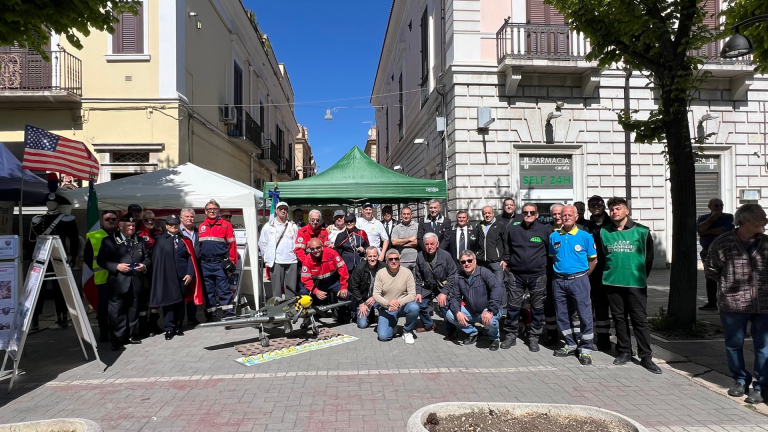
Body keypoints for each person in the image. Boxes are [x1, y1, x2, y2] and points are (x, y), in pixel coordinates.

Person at [705, 203, 768, 404]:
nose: (766, 221)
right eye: (762, 217)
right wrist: (729, 286)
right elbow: (712, 270)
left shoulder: (767, 243)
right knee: (734, 344)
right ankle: (740, 380)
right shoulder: (723, 243)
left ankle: (761, 387)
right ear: (747, 220)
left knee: (764, 347)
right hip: (733, 305)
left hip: (765, 305)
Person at [598, 197, 660, 373]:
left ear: (627, 211)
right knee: (619, 319)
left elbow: (649, 258)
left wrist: (640, 275)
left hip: (635, 283)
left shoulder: (642, 231)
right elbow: (602, 258)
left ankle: (646, 356)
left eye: (618, 208)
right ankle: (624, 350)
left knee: (639, 320)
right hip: (612, 282)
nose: (614, 212)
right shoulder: (604, 232)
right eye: (611, 209)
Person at [548, 205, 597, 366]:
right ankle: (570, 344)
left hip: (579, 280)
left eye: (570, 214)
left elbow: (593, 260)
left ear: (576, 217)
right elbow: (554, 258)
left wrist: (582, 276)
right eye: (564, 215)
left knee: (584, 314)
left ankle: (586, 349)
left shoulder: (586, 236)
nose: (566, 217)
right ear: (559, 217)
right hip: (559, 280)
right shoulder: (554, 236)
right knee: (561, 314)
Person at [502, 203, 552, 351]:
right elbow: (508, 248)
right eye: (525, 212)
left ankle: (534, 337)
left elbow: (551, 253)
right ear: (521, 214)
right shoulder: (513, 230)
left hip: (538, 275)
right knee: (513, 307)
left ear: (537, 214)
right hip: (516, 275)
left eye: (531, 212)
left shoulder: (545, 230)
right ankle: (511, 335)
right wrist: (506, 261)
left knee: (537, 308)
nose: (528, 215)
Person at [97, 215, 150, 351]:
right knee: (116, 312)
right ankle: (117, 338)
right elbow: (101, 260)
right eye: (128, 226)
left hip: (135, 281)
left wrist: (143, 266)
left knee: (134, 309)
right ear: (120, 226)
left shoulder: (139, 241)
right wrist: (117, 266)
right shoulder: (109, 241)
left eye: (133, 226)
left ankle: (131, 334)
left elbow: (147, 258)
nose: (131, 228)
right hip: (118, 282)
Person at [149, 216, 202, 340]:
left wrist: (190, 273)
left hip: (182, 277)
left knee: (180, 302)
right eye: (171, 225)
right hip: (167, 277)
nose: (173, 227)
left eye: (176, 225)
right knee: (169, 303)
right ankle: (169, 328)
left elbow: (191, 258)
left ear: (179, 225)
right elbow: (156, 260)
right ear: (166, 226)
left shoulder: (185, 240)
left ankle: (179, 326)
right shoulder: (160, 240)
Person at [446, 250, 504, 350]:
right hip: (471, 310)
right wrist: (458, 312)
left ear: (475, 261)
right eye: (463, 262)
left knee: (491, 321)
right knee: (450, 315)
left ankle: (494, 338)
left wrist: (490, 310)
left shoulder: (484, 272)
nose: (466, 264)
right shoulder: (458, 277)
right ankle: (473, 332)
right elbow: (455, 297)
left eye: (469, 261)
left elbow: (497, 289)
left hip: (488, 309)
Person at [198, 199, 237, 321]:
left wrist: (232, 263)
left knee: (224, 291)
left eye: (215, 209)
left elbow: (232, 245)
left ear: (218, 211)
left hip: (220, 264)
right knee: (208, 292)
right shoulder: (201, 226)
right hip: (205, 264)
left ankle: (228, 315)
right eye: (210, 209)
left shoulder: (226, 225)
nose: (212, 211)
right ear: (205, 211)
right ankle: (211, 315)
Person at [83, 210, 118, 342]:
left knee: (118, 307)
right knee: (103, 309)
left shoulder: (121, 234)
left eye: (113, 219)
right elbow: (87, 259)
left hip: (119, 279)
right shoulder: (94, 236)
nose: (110, 221)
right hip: (101, 279)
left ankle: (117, 331)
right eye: (107, 219)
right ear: (102, 221)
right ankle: (104, 333)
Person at [413, 232, 457, 337]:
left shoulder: (446, 256)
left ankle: (451, 330)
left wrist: (445, 292)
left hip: (443, 286)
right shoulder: (420, 256)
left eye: (432, 244)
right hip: (428, 287)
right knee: (418, 304)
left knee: (444, 305)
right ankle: (429, 324)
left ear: (437, 244)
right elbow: (418, 277)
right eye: (427, 244)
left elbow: (453, 275)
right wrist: (418, 292)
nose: (429, 247)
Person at [584, 195, 613, 351]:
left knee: (608, 306)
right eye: (592, 205)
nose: (596, 207)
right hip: (591, 272)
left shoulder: (612, 224)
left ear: (603, 206)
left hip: (611, 271)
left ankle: (605, 338)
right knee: (592, 305)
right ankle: (593, 337)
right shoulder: (587, 227)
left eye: (599, 204)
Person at [300, 238, 350, 325]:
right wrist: (316, 291)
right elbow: (306, 279)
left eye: (318, 247)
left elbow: (343, 269)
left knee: (346, 294)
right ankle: (307, 316)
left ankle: (341, 314)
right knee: (304, 292)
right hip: (318, 283)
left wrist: (344, 286)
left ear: (322, 247)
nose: (315, 250)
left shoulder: (332, 253)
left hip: (332, 281)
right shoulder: (307, 260)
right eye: (312, 249)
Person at [373, 249, 419, 343]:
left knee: (414, 307)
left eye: (396, 259)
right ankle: (392, 324)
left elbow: (412, 294)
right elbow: (375, 295)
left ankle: (407, 331)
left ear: (400, 259)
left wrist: (398, 303)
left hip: (402, 306)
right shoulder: (381, 273)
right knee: (383, 337)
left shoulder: (407, 272)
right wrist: (388, 303)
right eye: (391, 259)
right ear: (386, 260)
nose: (393, 261)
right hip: (387, 308)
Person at [698, 198, 735, 310]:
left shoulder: (728, 217)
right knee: (710, 276)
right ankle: (711, 302)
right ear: (710, 207)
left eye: (720, 205)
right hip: (708, 251)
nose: (719, 208)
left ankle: (728, 301)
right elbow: (700, 229)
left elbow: (724, 230)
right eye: (716, 206)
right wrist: (712, 218)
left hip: (725, 251)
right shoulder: (703, 218)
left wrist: (707, 231)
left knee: (727, 276)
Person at [258, 202, 300, 299]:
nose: (283, 211)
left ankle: (290, 311)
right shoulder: (268, 226)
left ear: (287, 211)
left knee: (291, 291)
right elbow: (262, 243)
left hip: (292, 261)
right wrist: (268, 256)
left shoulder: (293, 226)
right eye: (280, 209)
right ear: (276, 211)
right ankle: (277, 311)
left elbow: (297, 242)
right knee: (276, 292)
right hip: (276, 262)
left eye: (285, 209)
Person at [349, 246, 386, 329]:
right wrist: (361, 303)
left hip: (379, 298)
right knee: (362, 325)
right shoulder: (359, 268)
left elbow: (388, 285)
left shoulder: (384, 267)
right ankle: (366, 314)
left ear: (378, 256)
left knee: (386, 316)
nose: (372, 259)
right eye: (370, 256)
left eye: (374, 256)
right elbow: (353, 287)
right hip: (364, 299)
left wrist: (375, 297)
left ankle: (380, 315)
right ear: (366, 257)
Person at [476, 206, 509, 286]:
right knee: (483, 285)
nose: (487, 215)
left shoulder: (500, 225)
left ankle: (501, 299)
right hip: (482, 262)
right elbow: (476, 242)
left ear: (493, 214)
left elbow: (506, 242)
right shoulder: (479, 226)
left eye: (489, 213)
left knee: (499, 285)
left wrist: (506, 259)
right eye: (485, 213)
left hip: (496, 262)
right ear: (482, 215)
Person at [180, 208, 201, 325]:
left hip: (196, 267)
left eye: (191, 217)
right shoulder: (176, 231)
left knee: (194, 294)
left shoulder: (198, 232)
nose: (189, 219)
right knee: (181, 295)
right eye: (187, 217)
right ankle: (180, 320)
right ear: (181, 218)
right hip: (182, 268)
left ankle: (192, 317)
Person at [390, 207, 419, 271]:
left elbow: (417, 242)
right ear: (401, 215)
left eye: (408, 214)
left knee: (416, 280)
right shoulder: (396, 228)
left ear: (412, 215)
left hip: (415, 259)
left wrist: (401, 243)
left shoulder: (417, 226)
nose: (406, 216)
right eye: (404, 214)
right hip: (402, 260)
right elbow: (394, 242)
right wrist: (409, 239)